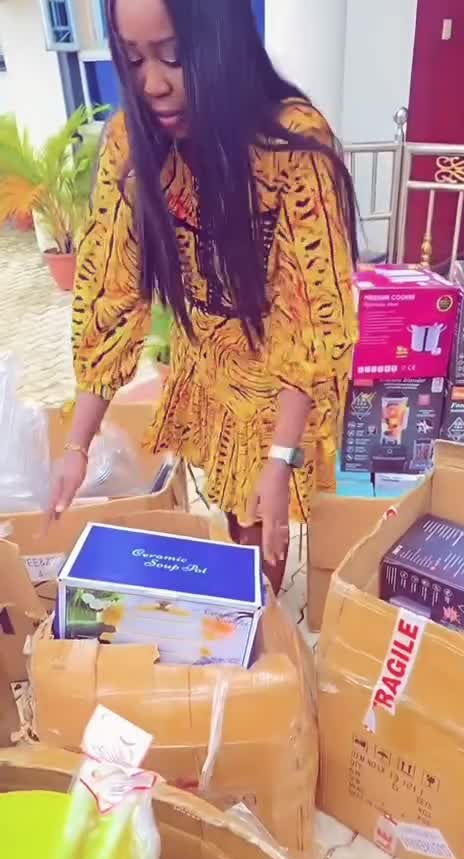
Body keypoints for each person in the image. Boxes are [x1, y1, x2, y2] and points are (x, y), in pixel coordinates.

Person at [49, 0, 358, 594]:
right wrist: (76, 447)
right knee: (232, 516)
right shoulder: (130, 143)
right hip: (206, 364)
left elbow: (311, 318)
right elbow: (110, 295)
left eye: (173, 56)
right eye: (133, 59)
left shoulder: (291, 143)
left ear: (222, 43)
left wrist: (281, 458)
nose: (152, 84)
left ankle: (259, 623)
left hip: (277, 381)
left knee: (261, 535)